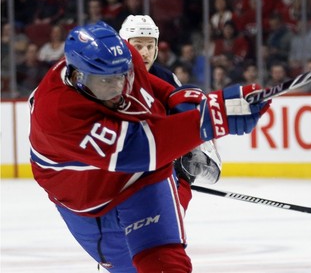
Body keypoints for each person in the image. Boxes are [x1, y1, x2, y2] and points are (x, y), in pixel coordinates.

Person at [28, 21, 270, 272]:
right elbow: (138, 150)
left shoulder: (124, 60)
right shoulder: (57, 113)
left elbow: (148, 84)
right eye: (104, 84)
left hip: (145, 179)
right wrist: (214, 119)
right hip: (87, 201)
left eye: (120, 79)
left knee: (166, 264)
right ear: (77, 76)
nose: (116, 92)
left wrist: (180, 99)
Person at [119, 15, 222, 210]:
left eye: (150, 46)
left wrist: (198, 158)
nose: (145, 53)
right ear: (125, 46)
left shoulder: (166, 79)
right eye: (138, 46)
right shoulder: (110, 80)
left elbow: (189, 119)